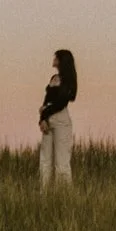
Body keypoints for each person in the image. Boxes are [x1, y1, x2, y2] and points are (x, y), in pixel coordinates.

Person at [39, 48, 77, 187]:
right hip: (49, 117)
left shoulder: (67, 81)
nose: (53, 59)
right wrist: (42, 119)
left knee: (61, 161)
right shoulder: (54, 78)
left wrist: (45, 113)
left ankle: (64, 195)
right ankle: (44, 193)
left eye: (56, 57)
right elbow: (47, 99)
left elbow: (61, 103)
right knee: (45, 159)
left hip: (60, 119)